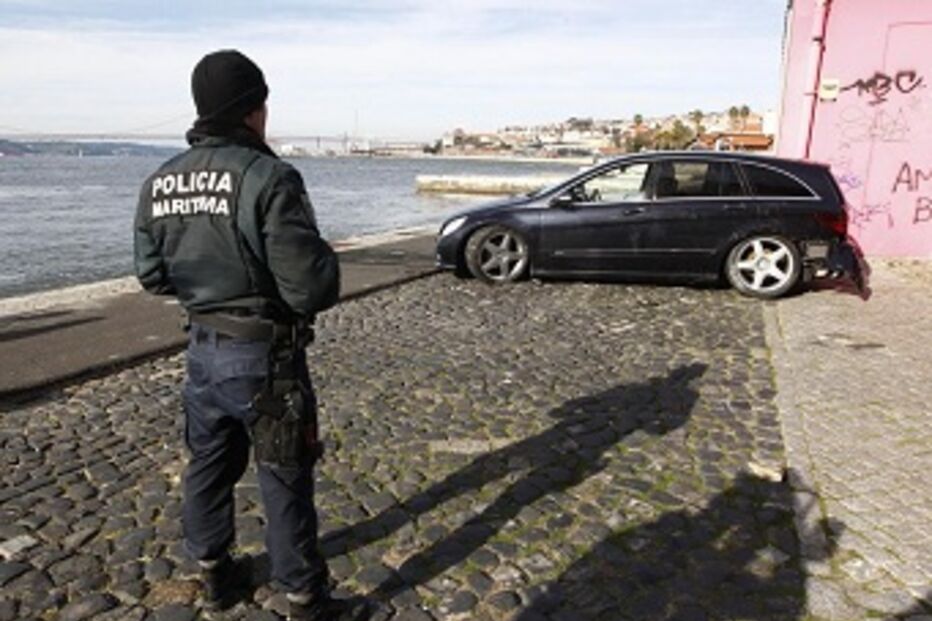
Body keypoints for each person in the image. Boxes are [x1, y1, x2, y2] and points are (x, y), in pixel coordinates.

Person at [134, 49, 360, 620]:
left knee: (207, 466)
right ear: (252, 110)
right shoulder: (269, 176)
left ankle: (214, 576)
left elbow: (152, 274)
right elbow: (311, 288)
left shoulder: (160, 181)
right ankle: (306, 600)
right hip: (266, 358)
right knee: (283, 475)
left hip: (203, 356)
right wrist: (324, 256)